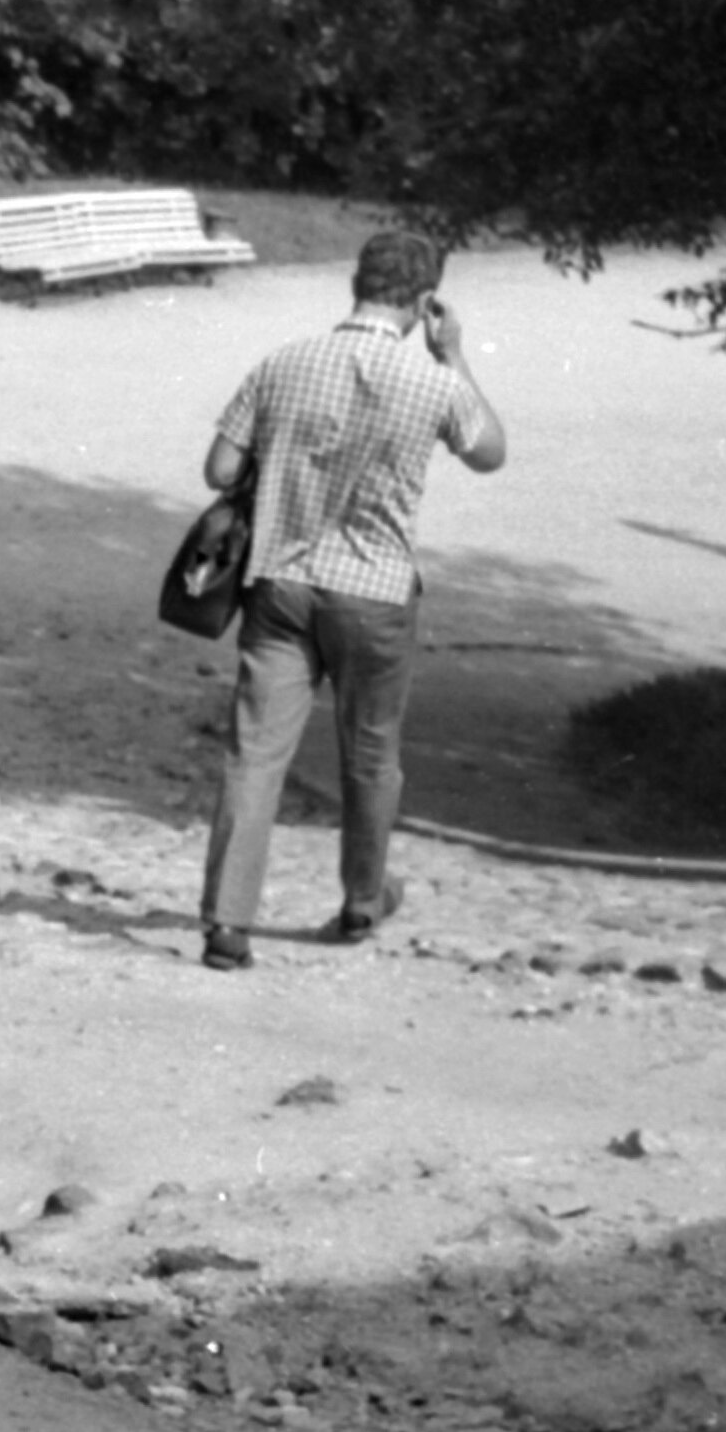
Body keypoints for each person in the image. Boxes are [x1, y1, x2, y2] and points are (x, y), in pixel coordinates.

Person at [198, 230, 505, 973]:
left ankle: (228, 922)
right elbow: (489, 452)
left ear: (355, 284)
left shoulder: (284, 361)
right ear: (425, 300)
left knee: (254, 754)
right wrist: (452, 355)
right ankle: (362, 899)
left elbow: (220, 468)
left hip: (280, 584)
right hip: (375, 592)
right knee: (371, 755)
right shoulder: (431, 382)